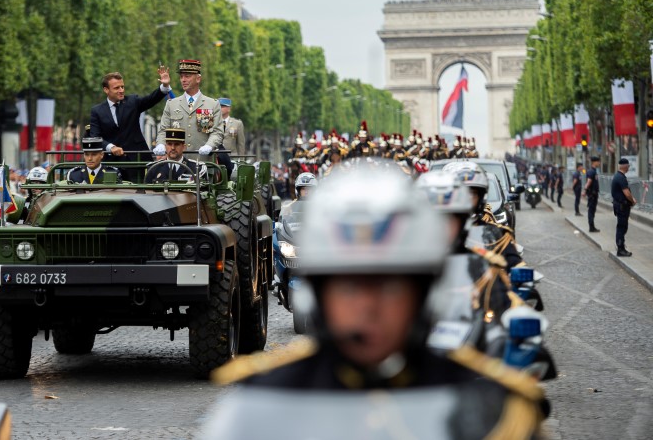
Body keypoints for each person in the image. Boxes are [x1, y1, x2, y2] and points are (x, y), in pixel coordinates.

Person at [207, 169, 545, 439]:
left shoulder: (499, 412)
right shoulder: (257, 408)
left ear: (424, 293)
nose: (368, 306)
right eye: (350, 287)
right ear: (319, 295)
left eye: (390, 287)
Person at [89, 68, 172, 164]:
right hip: (112, 163)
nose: (121, 90)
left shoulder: (132, 101)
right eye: (117, 88)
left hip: (137, 159)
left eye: (122, 87)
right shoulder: (97, 111)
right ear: (106, 90)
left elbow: (150, 99)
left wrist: (164, 85)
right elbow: (95, 137)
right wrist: (111, 147)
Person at [154, 59, 223, 161]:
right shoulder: (171, 104)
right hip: (176, 164)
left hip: (202, 163)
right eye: (181, 76)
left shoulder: (212, 104)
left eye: (187, 76)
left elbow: (217, 132)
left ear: (198, 79)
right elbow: (163, 130)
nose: (183, 80)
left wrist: (209, 145)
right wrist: (160, 143)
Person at [611, 158, 636, 257]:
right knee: (622, 227)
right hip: (622, 206)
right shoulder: (620, 178)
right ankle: (620, 249)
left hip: (620, 205)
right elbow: (626, 193)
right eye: (628, 166)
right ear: (625, 166)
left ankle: (621, 247)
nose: (629, 167)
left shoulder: (618, 176)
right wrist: (632, 200)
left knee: (622, 227)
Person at [584, 156, 600, 232]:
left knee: (592, 211)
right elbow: (589, 181)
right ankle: (591, 227)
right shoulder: (591, 171)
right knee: (591, 211)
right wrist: (584, 190)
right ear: (594, 162)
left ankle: (592, 226)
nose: (599, 163)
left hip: (594, 195)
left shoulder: (594, 171)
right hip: (592, 195)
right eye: (598, 161)